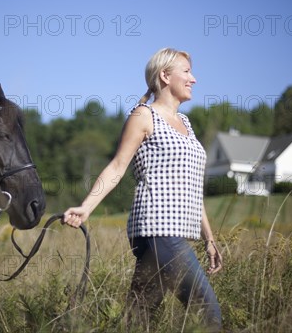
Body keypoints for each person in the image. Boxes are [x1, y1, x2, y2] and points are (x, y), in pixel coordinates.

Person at [63, 48, 223, 331]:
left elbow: (191, 188)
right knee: (208, 313)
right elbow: (117, 167)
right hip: (157, 230)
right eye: (186, 71)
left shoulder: (186, 123)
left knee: (137, 321)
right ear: (165, 76)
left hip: (174, 234)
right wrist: (86, 207)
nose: (193, 79)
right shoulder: (144, 115)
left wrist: (208, 238)